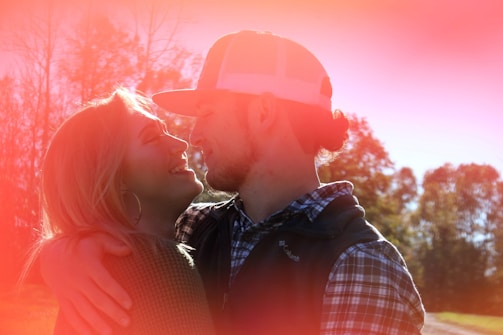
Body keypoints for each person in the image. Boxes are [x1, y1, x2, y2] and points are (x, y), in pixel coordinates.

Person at [40, 31, 425, 334]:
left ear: (263, 112)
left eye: (207, 113)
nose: (196, 136)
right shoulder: (193, 227)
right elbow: (116, 225)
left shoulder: (358, 263)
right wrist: (64, 251)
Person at [31, 88, 215, 334]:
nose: (180, 143)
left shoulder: (97, 267)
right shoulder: (161, 265)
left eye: (166, 130)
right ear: (115, 178)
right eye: (151, 137)